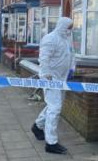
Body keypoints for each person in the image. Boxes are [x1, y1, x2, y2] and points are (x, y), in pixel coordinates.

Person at [31, 17, 75, 154]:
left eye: (71, 27)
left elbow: (71, 55)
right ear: (62, 26)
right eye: (69, 27)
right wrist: (46, 76)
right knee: (55, 108)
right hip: (51, 78)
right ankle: (51, 143)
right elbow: (43, 59)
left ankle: (37, 126)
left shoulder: (67, 39)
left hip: (62, 79)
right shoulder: (50, 38)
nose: (70, 30)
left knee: (53, 105)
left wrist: (72, 69)